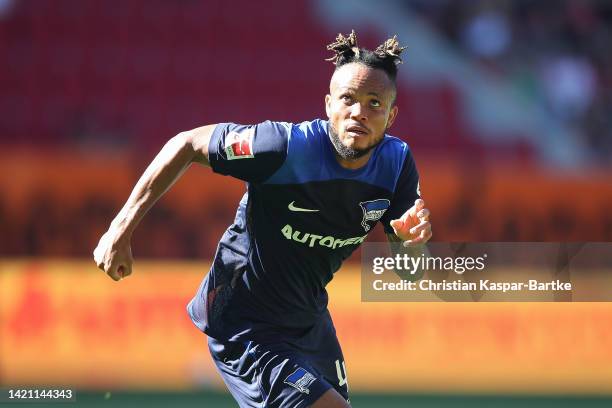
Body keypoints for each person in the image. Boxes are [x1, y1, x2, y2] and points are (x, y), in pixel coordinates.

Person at [94, 30, 432, 408]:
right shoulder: (284, 149)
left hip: (308, 323)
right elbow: (186, 144)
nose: (359, 112)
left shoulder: (397, 165)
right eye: (348, 100)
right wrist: (118, 229)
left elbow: (410, 273)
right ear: (327, 105)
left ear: (391, 115)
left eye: (374, 103)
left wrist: (410, 246)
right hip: (244, 325)